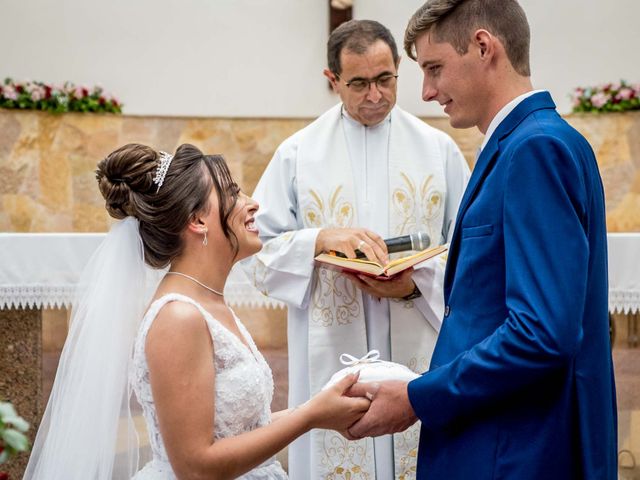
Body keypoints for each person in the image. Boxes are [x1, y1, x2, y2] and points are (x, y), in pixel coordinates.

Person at [346, 1, 618, 478]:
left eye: (434, 69)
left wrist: (417, 397)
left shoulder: (535, 149)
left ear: (483, 47)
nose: (428, 92)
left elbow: (542, 333)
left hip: (515, 447)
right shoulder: (530, 140)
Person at [24, 143, 371, 480]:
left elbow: (239, 432)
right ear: (197, 221)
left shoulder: (210, 303)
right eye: (233, 194)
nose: (253, 204)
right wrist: (309, 416)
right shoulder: (178, 318)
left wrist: (319, 408)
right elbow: (196, 467)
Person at [244, 19, 470, 479]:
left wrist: (413, 284)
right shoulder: (297, 154)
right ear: (333, 81)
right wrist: (319, 239)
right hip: (332, 349)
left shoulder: (438, 150)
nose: (375, 95)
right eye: (359, 83)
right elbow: (256, 251)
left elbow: (471, 251)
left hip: (419, 339)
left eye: (385, 79)